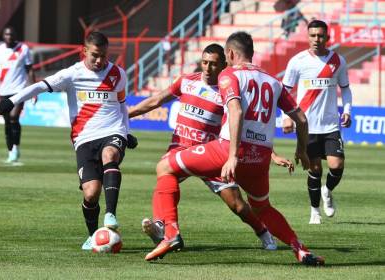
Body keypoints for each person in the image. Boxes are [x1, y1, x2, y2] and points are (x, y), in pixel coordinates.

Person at [144, 31, 325, 266]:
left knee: (166, 166)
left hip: (229, 149)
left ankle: (170, 234)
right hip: (259, 157)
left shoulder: (229, 74)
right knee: (263, 208)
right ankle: (300, 250)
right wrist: (302, 150)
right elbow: (301, 119)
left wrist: (231, 156)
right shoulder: (273, 81)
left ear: (229, 53)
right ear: (252, 53)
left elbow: (236, 111)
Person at [129, 43, 286, 251]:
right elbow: (156, 100)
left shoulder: (227, 90)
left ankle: (263, 232)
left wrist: (272, 154)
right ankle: (164, 227)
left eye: (213, 64)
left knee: (237, 205)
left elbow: (244, 126)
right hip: (180, 150)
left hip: (210, 155)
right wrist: (126, 115)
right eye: (204, 62)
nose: (207, 68)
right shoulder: (186, 81)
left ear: (223, 65)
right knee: (166, 173)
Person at [0, 31, 138, 250]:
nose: (100, 61)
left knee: (110, 155)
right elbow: (41, 86)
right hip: (84, 137)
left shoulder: (118, 73)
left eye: (103, 55)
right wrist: (12, 100)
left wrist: (126, 132)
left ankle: (110, 213)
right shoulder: (72, 74)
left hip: (112, 130)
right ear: (84, 51)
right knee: (91, 194)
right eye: (95, 55)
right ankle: (93, 236)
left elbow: (122, 106)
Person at [281, 20, 352, 224]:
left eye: (320, 35)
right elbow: (284, 91)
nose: (316, 39)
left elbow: (345, 88)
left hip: (331, 125)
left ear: (327, 37)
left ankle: (327, 191)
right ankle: (314, 211)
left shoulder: (338, 61)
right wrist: (285, 117)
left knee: (336, 165)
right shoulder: (297, 61)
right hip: (307, 126)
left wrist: (347, 110)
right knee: (314, 170)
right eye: (312, 35)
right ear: (307, 36)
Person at [0, 26, 36, 163]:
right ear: (3, 36)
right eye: (6, 34)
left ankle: (16, 147)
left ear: (15, 35)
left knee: (13, 117)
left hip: (19, 90)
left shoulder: (23, 49)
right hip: (4, 91)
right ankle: (10, 150)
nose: (9, 36)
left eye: (11, 34)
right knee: (6, 122)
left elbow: (30, 70)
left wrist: (34, 90)